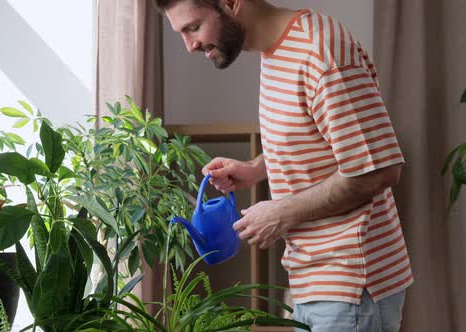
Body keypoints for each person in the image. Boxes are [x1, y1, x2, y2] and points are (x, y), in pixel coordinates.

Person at [154, 0, 413, 331]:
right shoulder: (278, 52)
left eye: (192, 27)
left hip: (352, 284)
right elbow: (319, 137)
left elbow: (378, 170)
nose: (190, 46)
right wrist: (255, 168)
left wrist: (280, 213)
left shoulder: (320, 50)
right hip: (314, 284)